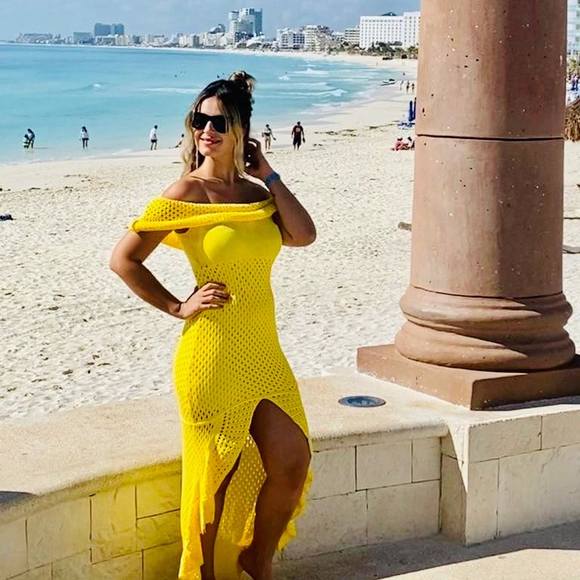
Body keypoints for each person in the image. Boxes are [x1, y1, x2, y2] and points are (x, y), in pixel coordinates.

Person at [110, 70, 316, 580]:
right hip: (211, 353)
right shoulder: (188, 191)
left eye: (220, 123)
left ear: (241, 130)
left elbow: (303, 235)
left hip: (264, 352)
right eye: (199, 120)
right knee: (214, 480)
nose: (207, 130)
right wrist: (178, 306)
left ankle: (256, 559)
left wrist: (269, 174)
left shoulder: (255, 193)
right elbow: (124, 260)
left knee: (291, 461)